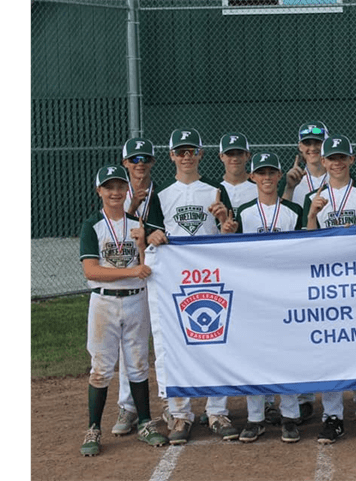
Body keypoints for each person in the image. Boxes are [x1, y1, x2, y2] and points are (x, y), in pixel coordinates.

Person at [145, 128, 239, 445]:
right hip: (176, 280)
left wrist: (226, 222)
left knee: (215, 340)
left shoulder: (214, 191)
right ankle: (181, 413)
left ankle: (216, 411)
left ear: (200, 154)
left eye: (191, 151)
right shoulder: (161, 195)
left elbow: (229, 236)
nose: (186, 156)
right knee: (176, 342)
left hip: (211, 276)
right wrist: (151, 236)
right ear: (171, 155)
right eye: (180, 151)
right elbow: (152, 235)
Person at [302, 134, 356, 444]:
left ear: (351, 160)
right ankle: (333, 416)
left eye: (342, 157)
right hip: (326, 284)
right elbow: (306, 244)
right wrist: (312, 215)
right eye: (331, 158)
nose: (337, 162)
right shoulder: (312, 196)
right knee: (330, 349)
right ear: (322, 162)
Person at [78, 165, 168, 456]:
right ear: (99, 191)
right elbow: (91, 271)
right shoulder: (93, 225)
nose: (115, 192)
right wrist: (132, 271)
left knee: (139, 363)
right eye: (109, 187)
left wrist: (143, 244)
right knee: (101, 368)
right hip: (104, 302)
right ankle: (93, 428)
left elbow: (146, 266)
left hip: (135, 300)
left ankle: (144, 422)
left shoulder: (136, 224)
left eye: (119, 187)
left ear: (126, 190)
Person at [233, 152, 306, 443]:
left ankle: (289, 415)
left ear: (279, 176)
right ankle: (255, 417)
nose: (266, 178)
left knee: (285, 354)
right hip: (253, 294)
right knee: (253, 354)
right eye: (260, 173)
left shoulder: (293, 211)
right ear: (252, 177)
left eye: (271, 172)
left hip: (285, 292)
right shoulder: (243, 212)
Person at [279, 121, 328, 424]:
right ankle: (304, 397)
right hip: (299, 263)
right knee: (302, 330)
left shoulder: (338, 173)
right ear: (299, 147)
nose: (313, 149)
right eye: (307, 143)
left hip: (330, 263)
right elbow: (278, 216)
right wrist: (289, 187)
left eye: (318, 143)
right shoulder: (293, 179)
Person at [109, 137, 157, 437]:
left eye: (145, 159)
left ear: (152, 162)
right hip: (129, 278)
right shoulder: (116, 197)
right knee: (131, 346)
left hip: (159, 271)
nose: (140, 164)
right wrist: (133, 205)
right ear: (126, 163)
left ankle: (171, 402)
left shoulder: (162, 193)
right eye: (134, 160)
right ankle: (127, 406)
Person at [219, 132, 258, 208]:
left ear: (247, 155)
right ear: (221, 156)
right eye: (230, 154)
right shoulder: (213, 189)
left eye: (239, 153)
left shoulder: (260, 187)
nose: (235, 158)